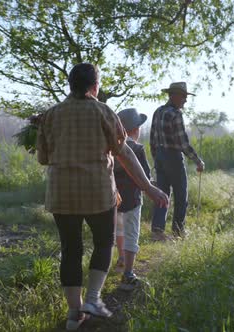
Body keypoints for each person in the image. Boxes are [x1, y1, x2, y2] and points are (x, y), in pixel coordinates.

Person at [36, 63, 168, 331]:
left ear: (70, 85)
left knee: (71, 250)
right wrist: (148, 187)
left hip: (62, 194)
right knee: (104, 243)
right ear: (95, 86)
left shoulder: (50, 115)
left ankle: (75, 314)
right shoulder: (103, 111)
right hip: (98, 192)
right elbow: (125, 153)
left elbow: (43, 158)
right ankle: (93, 299)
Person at [150, 82, 204, 241]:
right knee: (181, 195)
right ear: (173, 95)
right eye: (184, 96)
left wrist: (157, 158)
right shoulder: (175, 114)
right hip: (173, 157)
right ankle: (178, 231)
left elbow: (153, 139)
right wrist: (198, 161)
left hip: (160, 156)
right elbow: (183, 143)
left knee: (162, 194)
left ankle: (157, 231)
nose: (186, 100)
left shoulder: (158, 111)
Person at [113, 108, 151, 290]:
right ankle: (128, 273)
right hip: (133, 199)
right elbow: (146, 175)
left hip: (114, 199)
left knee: (119, 230)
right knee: (131, 233)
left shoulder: (111, 148)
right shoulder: (137, 148)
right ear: (135, 130)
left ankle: (121, 258)